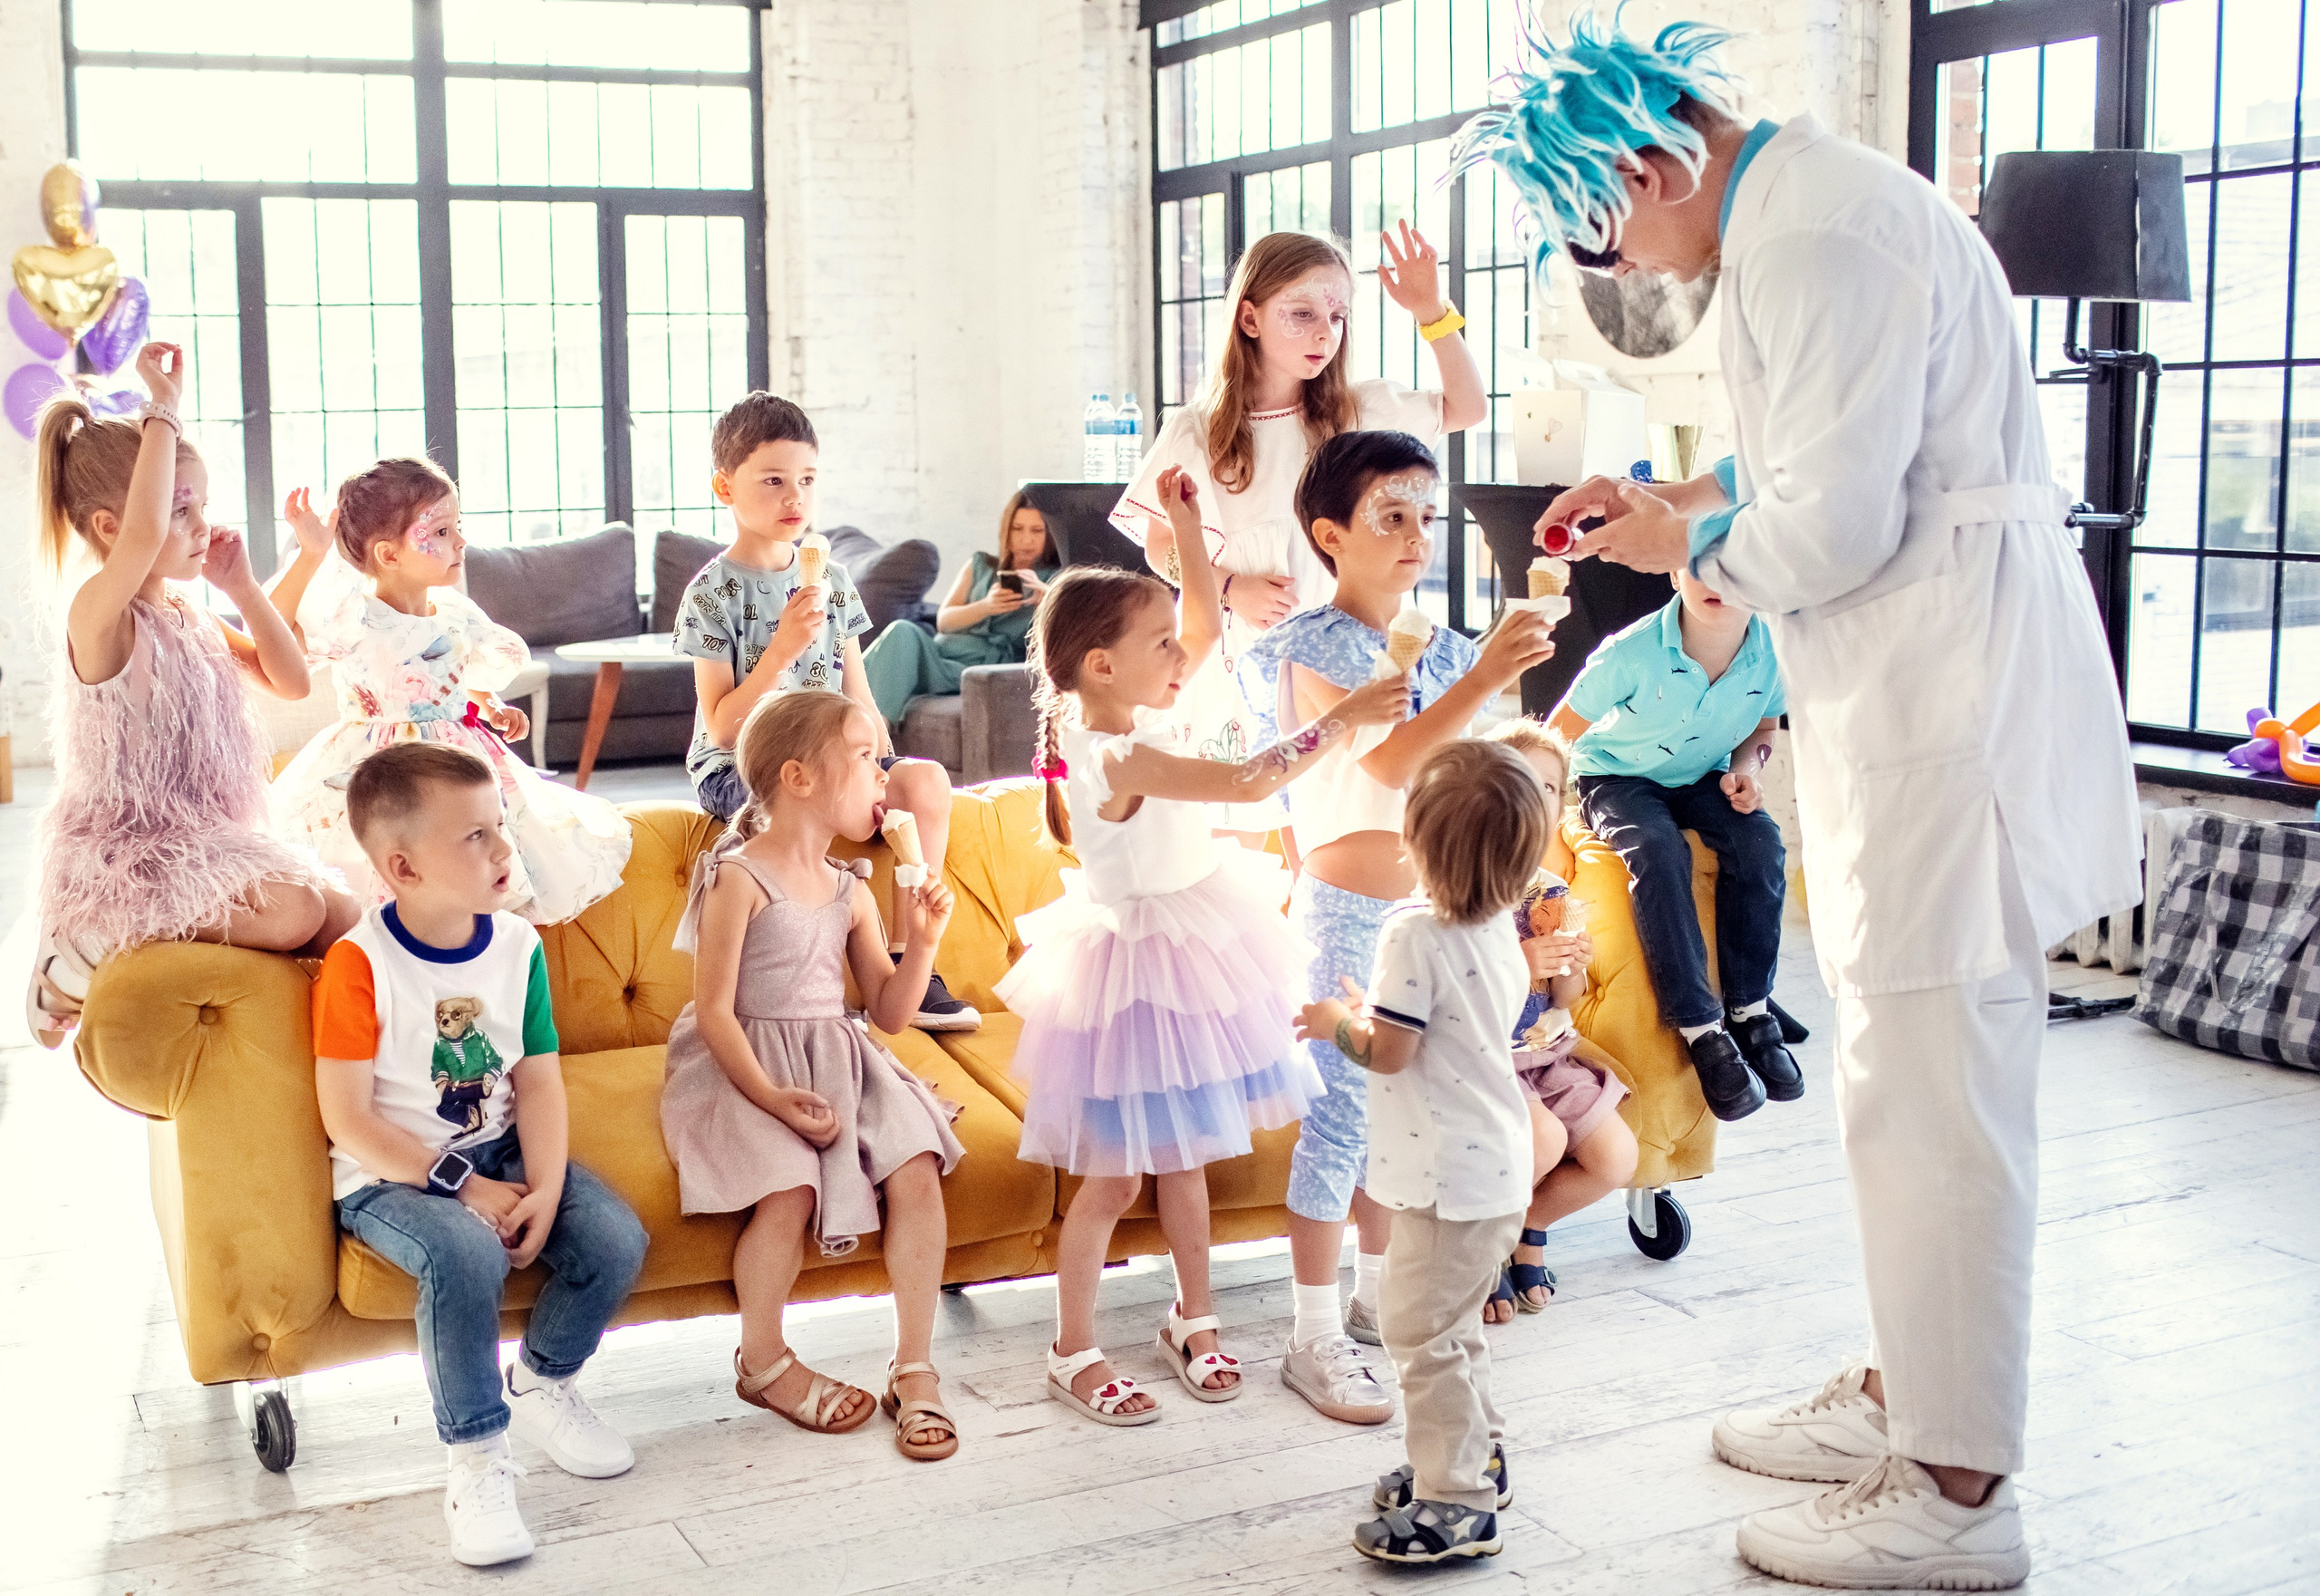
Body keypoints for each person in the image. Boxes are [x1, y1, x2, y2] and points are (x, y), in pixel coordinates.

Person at [1458, 15, 2141, 1587]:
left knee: (1938, 1092)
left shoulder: (1817, 234)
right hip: (1918, 689)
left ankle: (1957, 1490)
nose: (1628, 266)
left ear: (1647, 163)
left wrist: (1678, 551)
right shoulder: (1803, 213)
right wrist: (1679, 497)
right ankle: (1913, 1396)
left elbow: (1832, 526)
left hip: (1948, 699)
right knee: (1900, 1078)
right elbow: (1812, 458)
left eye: (1603, 234)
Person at [999, 467, 1410, 1427]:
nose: (1178, 656)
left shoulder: (1133, 713)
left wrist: (1187, 525)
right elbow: (1250, 782)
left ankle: (1195, 1314)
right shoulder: (1117, 753)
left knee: (1185, 1159)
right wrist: (1345, 715)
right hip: (1134, 969)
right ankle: (1071, 1348)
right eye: (1155, 648)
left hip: (1192, 944)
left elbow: (1200, 624)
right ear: (1102, 666)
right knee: (1115, 1177)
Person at [1236, 431, 1554, 1422]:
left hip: (1433, 909)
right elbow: (1384, 762)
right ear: (1330, 534)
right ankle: (1311, 1332)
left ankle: (1376, 1297)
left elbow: (1464, 776)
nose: (1418, 535)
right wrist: (1482, 677)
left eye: (1426, 515)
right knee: (1340, 1115)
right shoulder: (1305, 647)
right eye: (1392, 516)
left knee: (1399, 1115)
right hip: (1342, 912)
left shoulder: (1449, 650)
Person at [313, 742, 648, 1568]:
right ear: (403, 867)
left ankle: (541, 1381)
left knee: (615, 1239)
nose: (504, 847)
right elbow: (348, 1119)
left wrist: (546, 1187)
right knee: (466, 1255)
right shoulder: (359, 964)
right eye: (475, 836)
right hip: (392, 1174)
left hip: (496, 1148)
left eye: (500, 825)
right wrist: (464, 1188)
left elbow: (538, 1081)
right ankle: (476, 1453)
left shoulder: (518, 945)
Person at [659, 690, 966, 1461]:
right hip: (745, 1057)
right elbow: (715, 1010)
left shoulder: (851, 887)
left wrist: (923, 941)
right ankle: (762, 1360)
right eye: (865, 757)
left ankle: (915, 1365)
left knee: (917, 1166)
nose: (883, 774)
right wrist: (771, 1096)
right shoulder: (737, 876)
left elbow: (889, 1013)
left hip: (838, 1053)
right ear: (798, 777)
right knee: (788, 1188)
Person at [26, 343, 356, 1048]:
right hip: (128, 856)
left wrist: (246, 585)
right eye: (181, 509)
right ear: (111, 528)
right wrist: (163, 407)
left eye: (203, 505)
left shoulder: (189, 614)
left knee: (344, 916)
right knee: (296, 913)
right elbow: (144, 534)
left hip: (205, 838)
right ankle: (80, 945)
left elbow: (291, 679)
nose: (201, 525)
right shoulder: (99, 615)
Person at [1110, 227, 1485, 834]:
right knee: (1246, 826)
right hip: (1238, 656)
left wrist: (1430, 311)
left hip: (1342, 655)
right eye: (1302, 314)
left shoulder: (1358, 411)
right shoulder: (1195, 431)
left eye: (1336, 317)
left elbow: (1467, 408)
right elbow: (1159, 543)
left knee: (1346, 815)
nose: (1324, 334)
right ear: (1250, 318)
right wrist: (1229, 587)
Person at [1293, 739, 1550, 1565]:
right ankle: (1472, 1455)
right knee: (1452, 1326)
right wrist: (1371, 1013)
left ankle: (1458, 1501)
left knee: (1417, 1331)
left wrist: (1337, 1023)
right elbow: (1442, 1025)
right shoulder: (1499, 928)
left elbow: (1392, 1051)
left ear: (1415, 838)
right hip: (1494, 1167)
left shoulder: (1411, 931)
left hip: (1447, 1179)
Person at [673, 392, 977, 1031]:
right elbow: (723, 726)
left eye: (807, 480)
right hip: (742, 766)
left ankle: (904, 966)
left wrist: (877, 762)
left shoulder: (832, 580)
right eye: (774, 480)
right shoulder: (709, 594)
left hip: (833, 756)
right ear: (725, 487)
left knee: (924, 781)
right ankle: (797, 992)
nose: (795, 498)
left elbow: (858, 695)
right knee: (800, 803)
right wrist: (783, 647)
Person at [266, 458, 633, 924]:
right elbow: (272, 627)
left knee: (487, 850)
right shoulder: (354, 617)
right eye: (440, 531)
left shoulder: (456, 612)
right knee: (391, 862)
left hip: (458, 754)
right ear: (389, 555)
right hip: (380, 764)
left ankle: (485, 937)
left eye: (458, 527)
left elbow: (459, 678)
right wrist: (310, 554)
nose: (460, 541)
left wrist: (490, 706)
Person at [1541, 564, 1796, 1122]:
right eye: (1699, 562)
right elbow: (1555, 734)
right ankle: (1701, 1029)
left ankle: (1751, 1011)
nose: (1716, 578)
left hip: (1704, 776)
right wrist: (1539, 816)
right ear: (1676, 573)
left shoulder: (1775, 650)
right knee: (1657, 849)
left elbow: (1764, 726)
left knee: (1761, 843)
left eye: (1735, 564)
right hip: (1615, 776)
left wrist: (1747, 771)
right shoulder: (1628, 653)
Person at [1482, 719, 1640, 1320]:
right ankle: (1479, 1250)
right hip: (1485, 1059)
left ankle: (1529, 1223)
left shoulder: (1550, 891)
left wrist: (1573, 964)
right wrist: (1520, 962)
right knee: (1542, 1137)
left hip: (1543, 1053)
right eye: (1520, 779)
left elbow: (1564, 998)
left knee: (1616, 1157)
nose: (1536, 794)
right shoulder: (1464, 885)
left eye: (1549, 787)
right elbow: (1456, 992)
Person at [860, 488, 1059, 726]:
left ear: (1050, 534)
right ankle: (860, 716)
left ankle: (874, 728)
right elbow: (944, 622)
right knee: (902, 630)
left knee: (889, 657)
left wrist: (1049, 603)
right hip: (938, 655)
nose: (1026, 539)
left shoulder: (1054, 581)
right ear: (1006, 530)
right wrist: (986, 606)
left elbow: (1062, 642)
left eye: (1037, 530)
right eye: (1018, 528)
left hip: (975, 669)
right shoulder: (981, 565)